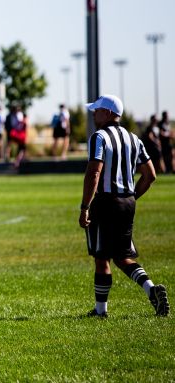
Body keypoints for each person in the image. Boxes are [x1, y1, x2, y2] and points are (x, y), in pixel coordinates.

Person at [79, 95, 169, 318]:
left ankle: (101, 311)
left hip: (105, 202)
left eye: (97, 110)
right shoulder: (133, 138)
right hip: (127, 202)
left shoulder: (99, 137)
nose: (93, 113)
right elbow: (150, 175)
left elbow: (94, 172)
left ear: (109, 113)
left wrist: (85, 206)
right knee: (121, 255)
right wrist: (131, 196)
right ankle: (151, 289)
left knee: (102, 257)